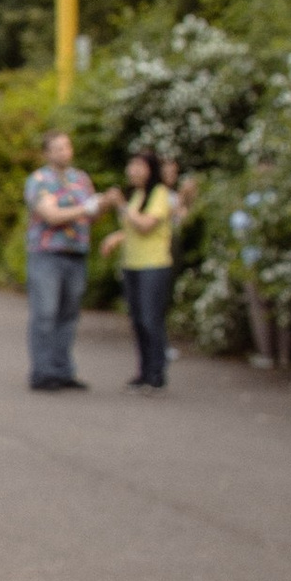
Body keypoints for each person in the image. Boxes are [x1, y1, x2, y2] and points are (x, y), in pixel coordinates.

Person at [101, 147, 195, 389]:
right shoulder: (137, 195)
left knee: (150, 319)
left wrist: (121, 205)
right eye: (131, 165)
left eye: (139, 166)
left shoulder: (160, 194)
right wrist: (116, 237)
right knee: (137, 320)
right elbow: (132, 226)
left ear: (150, 170)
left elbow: (145, 225)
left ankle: (156, 372)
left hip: (154, 264)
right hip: (132, 264)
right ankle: (144, 371)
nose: (132, 170)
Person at [23, 128, 105, 392]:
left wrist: (104, 205)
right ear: (47, 152)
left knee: (68, 315)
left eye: (67, 147)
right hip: (47, 254)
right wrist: (85, 208)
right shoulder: (39, 180)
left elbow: (93, 216)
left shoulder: (80, 179)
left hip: (76, 253)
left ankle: (63, 369)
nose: (65, 152)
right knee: (45, 313)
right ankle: (42, 371)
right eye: (58, 148)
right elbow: (51, 216)